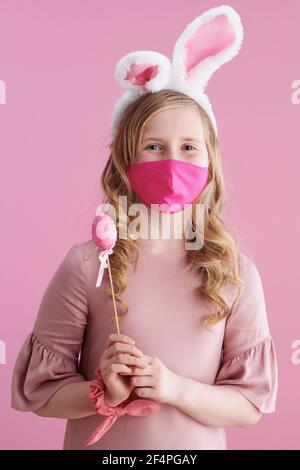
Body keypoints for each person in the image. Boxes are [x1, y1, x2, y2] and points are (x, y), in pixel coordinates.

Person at [10, 5, 278, 450]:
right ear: (124, 161)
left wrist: (173, 388)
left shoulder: (235, 273)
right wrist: (102, 392)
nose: (172, 164)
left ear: (210, 164)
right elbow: (42, 393)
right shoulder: (87, 265)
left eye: (189, 147)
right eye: (153, 147)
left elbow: (250, 402)